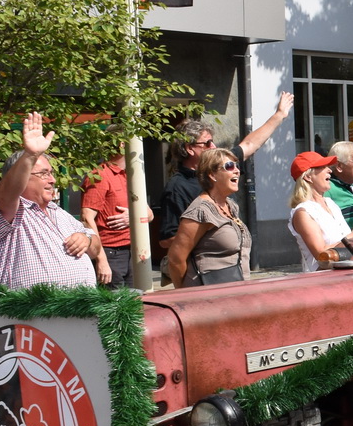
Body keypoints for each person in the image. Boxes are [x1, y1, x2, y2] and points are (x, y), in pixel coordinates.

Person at [0, 112, 109, 288]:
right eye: (43, 174)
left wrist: (86, 240)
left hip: (76, 310)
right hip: (27, 313)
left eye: (51, 173)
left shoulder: (58, 212)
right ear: (23, 176)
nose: (52, 180)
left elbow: (95, 247)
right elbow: (7, 192)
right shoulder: (8, 210)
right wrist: (30, 155)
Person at [157, 93, 295, 244]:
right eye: (207, 143)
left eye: (213, 141)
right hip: (207, 264)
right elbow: (167, 240)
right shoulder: (177, 187)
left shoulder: (222, 165)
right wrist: (210, 233)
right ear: (190, 149)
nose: (213, 147)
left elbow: (250, 145)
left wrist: (279, 115)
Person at [164, 148, 253, 287]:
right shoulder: (200, 211)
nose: (237, 171)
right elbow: (175, 259)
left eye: (237, 166)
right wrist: (184, 293)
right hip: (208, 293)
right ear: (212, 174)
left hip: (236, 289)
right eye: (229, 166)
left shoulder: (231, 205)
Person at [289, 151, 353, 271]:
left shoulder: (331, 204)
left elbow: (346, 241)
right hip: (324, 281)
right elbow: (322, 256)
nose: (330, 170)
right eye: (322, 167)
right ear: (308, 176)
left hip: (347, 272)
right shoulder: (303, 213)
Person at [80, 154, 152, 288]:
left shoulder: (131, 175)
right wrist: (101, 259)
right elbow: (86, 217)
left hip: (134, 251)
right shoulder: (99, 175)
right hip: (111, 254)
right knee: (114, 304)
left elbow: (150, 214)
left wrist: (133, 217)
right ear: (121, 143)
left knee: (137, 301)